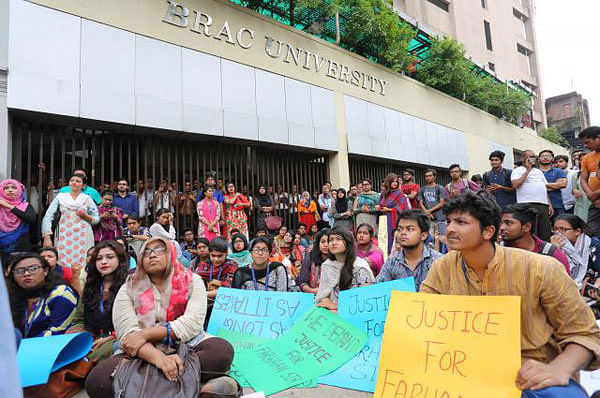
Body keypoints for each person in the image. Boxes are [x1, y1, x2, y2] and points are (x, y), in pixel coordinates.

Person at [421, 192, 600, 397]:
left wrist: (559, 369)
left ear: (488, 231)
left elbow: (585, 334)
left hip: (530, 379)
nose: (450, 228)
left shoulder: (541, 269)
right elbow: (423, 323)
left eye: (461, 222)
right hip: (463, 372)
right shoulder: (442, 268)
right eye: (450, 221)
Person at [85, 237, 236, 397]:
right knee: (97, 382)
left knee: (221, 352)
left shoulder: (192, 280)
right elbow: (128, 334)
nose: (152, 255)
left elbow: (192, 323)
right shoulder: (128, 287)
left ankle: (143, 386)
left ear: (171, 253)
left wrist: (147, 334)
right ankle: (192, 388)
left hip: (185, 345)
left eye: (159, 250)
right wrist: (159, 358)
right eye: (147, 252)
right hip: (143, 351)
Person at [70, 241, 128, 361]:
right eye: (99, 258)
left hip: (120, 339)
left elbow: (138, 323)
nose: (104, 262)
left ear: (120, 259)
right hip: (91, 340)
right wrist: (83, 339)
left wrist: (109, 338)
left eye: (110, 257)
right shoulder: (91, 287)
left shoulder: (129, 285)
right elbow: (78, 320)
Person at [7, 253, 78, 338]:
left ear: (45, 271)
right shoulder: (10, 296)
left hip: (52, 346)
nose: (26, 274)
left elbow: (58, 332)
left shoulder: (61, 293)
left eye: (33, 269)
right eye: (20, 271)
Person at [42, 173, 99, 270]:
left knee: (83, 263)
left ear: (83, 185)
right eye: (72, 180)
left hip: (83, 235)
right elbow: (48, 216)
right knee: (62, 261)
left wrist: (85, 216)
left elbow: (96, 219)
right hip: (64, 234)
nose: (74, 183)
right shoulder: (61, 197)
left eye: (78, 181)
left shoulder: (87, 199)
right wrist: (47, 236)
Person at [376, 210, 442, 291]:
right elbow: (380, 288)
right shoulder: (392, 261)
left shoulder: (438, 261)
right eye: (400, 229)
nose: (403, 232)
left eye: (409, 229)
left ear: (423, 235)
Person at [499, 203, 571, 274]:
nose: (502, 228)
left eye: (508, 223)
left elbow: (565, 284)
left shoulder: (551, 254)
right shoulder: (498, 252)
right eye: (501, 223)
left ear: (527, 227)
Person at [316, 227, 374, 313]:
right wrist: (327, 304)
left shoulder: (359, 266)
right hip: (331, 314)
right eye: (331, 240)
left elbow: (365, 302)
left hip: (356, 313)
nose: (334, 243)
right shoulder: (327, 265)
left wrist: (335, 307)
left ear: (348, 242)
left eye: (339, 239)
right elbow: (323, 295)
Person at [511, 150, 554, 240]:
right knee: (529, 230)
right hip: (526, 204)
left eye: (533, 157)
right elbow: (515, 185)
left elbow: (544, 188)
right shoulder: (517, 170)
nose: (532, 159)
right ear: (523, 158)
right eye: (529, 156)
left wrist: (549, 204)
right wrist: (527, 170)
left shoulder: (539, 171)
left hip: (542, 204)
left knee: (544, 231)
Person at [553, 214, 600, 287]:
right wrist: (555, 250)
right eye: (555, 229)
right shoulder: (554, 245)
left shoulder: (594, 245)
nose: (557, 233)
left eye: (563, 229)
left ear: (577, 231)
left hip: (589, 285)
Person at [0, 179, 38, 260]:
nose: (10, 190)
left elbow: (31, 219)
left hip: (21, 248)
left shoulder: (26, 206)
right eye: (6, 188)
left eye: (14, 187)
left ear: (20, 190)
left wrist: (9, 206)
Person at [380, 173, 411, 254]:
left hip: (394, 221)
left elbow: (403, 209)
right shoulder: (384, 193)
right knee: (383, 240)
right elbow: (380, 205)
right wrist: (379, 208)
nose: (395, 183)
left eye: (396, 182)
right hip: (383, 220)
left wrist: (389, 210)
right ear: (388, 182)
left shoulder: (400, 193)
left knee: (392, 241)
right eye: (393, 181)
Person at [579, 126, 600, 235]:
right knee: (591, 233)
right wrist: (591, 196)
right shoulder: (587, 158)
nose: (586, 145)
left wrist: (595, 194)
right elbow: (583, 179)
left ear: (598, 137)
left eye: (588, 142)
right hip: (595, 202)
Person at [297, 228, 330, 294]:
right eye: (323, 242)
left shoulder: (339, 260)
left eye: (329, 242)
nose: (326, 245)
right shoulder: (310, 257)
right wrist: (312, 291)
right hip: (312, 296)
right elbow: (302, 282)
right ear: (318, 243)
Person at [538, 149, 568, 219]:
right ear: (538, 159)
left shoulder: (559, 171)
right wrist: (555, 185)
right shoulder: (535, 172)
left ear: (552, 159)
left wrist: (541, 185)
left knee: (560, 223)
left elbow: (563, 184)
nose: (545, 158)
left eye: (548, 156)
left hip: (557, 204)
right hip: (540, 204)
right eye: (543, 156)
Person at [418, 169, 447, 235]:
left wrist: (430, 211)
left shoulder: (440, 188)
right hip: (428, 218)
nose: (428, 178)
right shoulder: (422, 189)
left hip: (440, 218)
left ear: (434, 176)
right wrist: (426, 212)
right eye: (426, 176)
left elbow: (442, 202)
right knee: (429, 240)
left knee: (441, 239)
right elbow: (420, 202)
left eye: (430, 176)